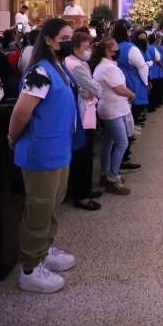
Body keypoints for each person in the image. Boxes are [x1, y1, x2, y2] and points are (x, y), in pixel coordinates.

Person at [8, 18, 81, 294]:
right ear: (49, 40)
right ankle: (30, 268)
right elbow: (21, 112)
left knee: (53, 204)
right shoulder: (40, 72)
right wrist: (12, 138)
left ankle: (45, 250)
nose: (68, 43)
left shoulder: (58, 67)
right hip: (41, 151)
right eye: (64, 38)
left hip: (59, 147)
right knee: (38, 208)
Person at [63, 31, 103, 210]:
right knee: (83, 156)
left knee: (85, 154)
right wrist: (94, 90)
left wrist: (91, 90)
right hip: (83, 115)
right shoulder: (76, 65)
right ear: (76, 47)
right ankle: (82, 196)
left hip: (85, 110)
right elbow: (95, 88)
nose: (89, 50)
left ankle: (84, 189)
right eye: (86, 46)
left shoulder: (79, 62)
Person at [93, 37, 136, 196]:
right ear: (107, 51)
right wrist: (132, 94)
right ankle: (113, 178)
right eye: (116, 47)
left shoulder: (104, 66)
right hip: (113, 110)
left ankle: (105, 173)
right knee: (122, 143)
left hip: (110, 108)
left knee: (108, 142)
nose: (118, 49)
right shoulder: (108, 68)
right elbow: (119, 88)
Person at [113, 23, 149, 126]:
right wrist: (145, 82)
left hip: (116, 81)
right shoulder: (130, 48)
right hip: (131, 81)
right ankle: (130, 132)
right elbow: (142, 67)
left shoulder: (112, 44)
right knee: (132, 110)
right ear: (126, 32)